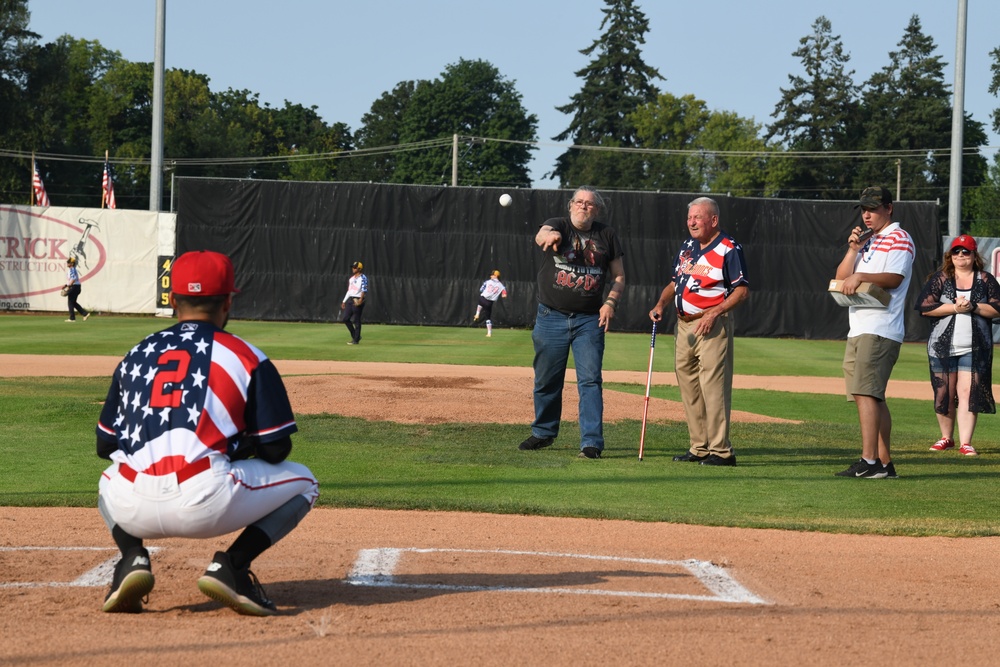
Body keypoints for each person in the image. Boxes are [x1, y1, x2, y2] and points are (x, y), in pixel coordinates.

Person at [95, 250, 319, 616]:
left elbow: (105, 445)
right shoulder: (247, 356)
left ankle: (131, 559)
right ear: (228, 301)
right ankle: (232, 567)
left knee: (108, 478)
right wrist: (234, 445)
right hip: (205, 503)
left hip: (130, 505)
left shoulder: (135, 355)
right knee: (306, 482)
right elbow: (277, 449)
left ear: (172, 300)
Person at [518, 186, 625, 459]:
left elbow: (619, 276)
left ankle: (591, 442)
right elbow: (543, 233)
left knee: (590, 381)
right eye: (579, 202)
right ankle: (543, 432)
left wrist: (610, 303)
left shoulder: (607, 235)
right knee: (547, 380)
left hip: (589, 321)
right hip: (551, 316)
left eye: (589, 204)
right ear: (570, 206)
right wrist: (549, 235)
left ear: (597, 209)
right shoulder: (560, 225)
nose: (583, 206)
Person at [649, 197, 749, 466]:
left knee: (713, 387)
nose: (691, 222)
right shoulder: (688, 247)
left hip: (712, 324)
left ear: (713, 220)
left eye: (697, 217)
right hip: (683, 325)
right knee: (689, 386)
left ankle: (721, 451)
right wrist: (661, 303)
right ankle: (699, 447)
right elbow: (675, 282)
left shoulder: (729, 248)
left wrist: (715, 312)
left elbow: (741, 290)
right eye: (689, 217)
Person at [833, 186, 915, 479]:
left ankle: (869, 462)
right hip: (859, 325)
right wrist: (853, 249)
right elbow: (841, 278)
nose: (867, 214)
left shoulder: (900, 238)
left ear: (889, 208)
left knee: (867, 393)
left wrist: (862, 274)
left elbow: (894, 278)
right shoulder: (868, 241)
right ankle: (884, 463)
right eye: (864, 209)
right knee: (868, 395)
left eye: (873, 208)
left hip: (881, 327)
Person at [915, 234, 1000, 457]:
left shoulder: (985, 279)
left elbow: (997, 310)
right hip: (942, 346)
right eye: (956, 251)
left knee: (968, 392)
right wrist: (954, 308)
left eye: (966, 251)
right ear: (949, 255)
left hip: (975, 346)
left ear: (974, 256)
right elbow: (925, 307)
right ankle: (946, 437)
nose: (961, 255)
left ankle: (966, 442)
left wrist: (972, 306)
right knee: (943, 392)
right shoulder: (940, 279)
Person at [473, 270, 508, 337]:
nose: (490, 276)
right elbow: (504, 295)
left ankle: (477, 314)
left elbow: (481, 289)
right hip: (489, 303)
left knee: (480, 301)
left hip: (483, 299)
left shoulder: (487, 282)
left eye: (492, 275)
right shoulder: (501, 286)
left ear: (496, 276)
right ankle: (489, 333)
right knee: (488, 318)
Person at [341, 260, 368, 345]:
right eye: (353, 267)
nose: (353, 268)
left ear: (359, 268)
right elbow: (349, 291)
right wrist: (344, 301)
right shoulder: (351, 279)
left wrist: (361, 299)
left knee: (356, 320)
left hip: (358, 300)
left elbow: (364, 289)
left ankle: (356, 340)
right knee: (345, 319)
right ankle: (356, 336)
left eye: (355, 267)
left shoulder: (363, 277)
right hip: (351, 299)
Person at [63, 256, 90, 322]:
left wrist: (68, 286)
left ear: (72, 264)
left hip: (74, 287)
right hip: (76, 286)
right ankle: (85, 314)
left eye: (68, 262)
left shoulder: (72, 269)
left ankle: (72, 318)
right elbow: (72, 279)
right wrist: (66, 285)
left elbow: (73, 279)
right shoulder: (72, 269)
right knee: (73, 302)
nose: (67, 263)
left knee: (70, 302)